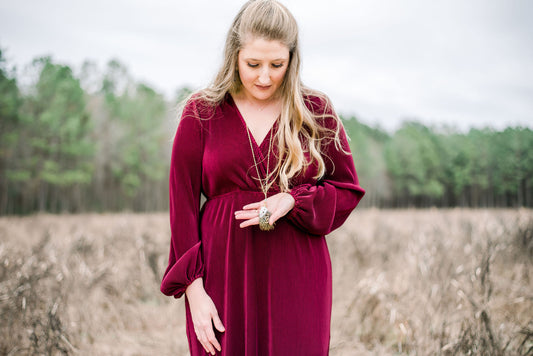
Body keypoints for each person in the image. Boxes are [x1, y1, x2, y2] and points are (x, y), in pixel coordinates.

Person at [160, 1, 365, 355]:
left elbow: (347, 190)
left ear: (292, 59)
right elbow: (182, 206)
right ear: (234, 55)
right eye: (253, 64)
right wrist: (194, 293)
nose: (265, 77)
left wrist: (293, 199)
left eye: (277, 65)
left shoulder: (316, 111)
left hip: (297, 276)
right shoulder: (202, 112)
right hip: (222, 276)